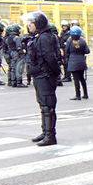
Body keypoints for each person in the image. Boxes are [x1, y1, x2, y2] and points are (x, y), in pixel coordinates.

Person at [27, 11, 62, 146]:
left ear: (38, 23)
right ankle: (45, 132)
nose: (29, 25)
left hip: (45, 75)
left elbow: (50, 57)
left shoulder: (44, 37)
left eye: (31, 23)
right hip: (40, 75)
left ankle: (50, 136)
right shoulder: (40, 36)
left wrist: (54, 73)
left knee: (48, 106)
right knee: (43, 105)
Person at [65, 25, 89, 100]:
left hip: (73, 62)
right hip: (81, 61)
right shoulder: (82, 40)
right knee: (82, 78)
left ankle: (78, 95)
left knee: (76, 79)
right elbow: (87, 51)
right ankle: (85, 94)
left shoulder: (69, 40)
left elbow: (67, 50)